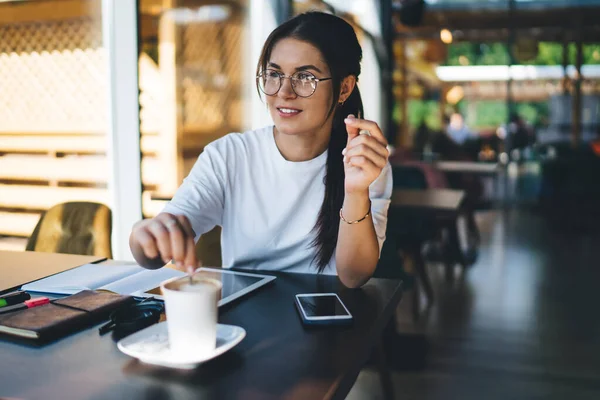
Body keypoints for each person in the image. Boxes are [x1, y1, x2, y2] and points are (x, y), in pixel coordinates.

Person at [129, 12, 393, 288]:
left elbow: (353, 276)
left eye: (305, 77)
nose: (284, 91)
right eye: (274, 74)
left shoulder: (363, 162)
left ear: (344, 88)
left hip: (326, 320)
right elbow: (160, 243)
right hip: (243, 320)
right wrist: (144, 235)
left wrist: (355, 191)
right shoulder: (230, 156)